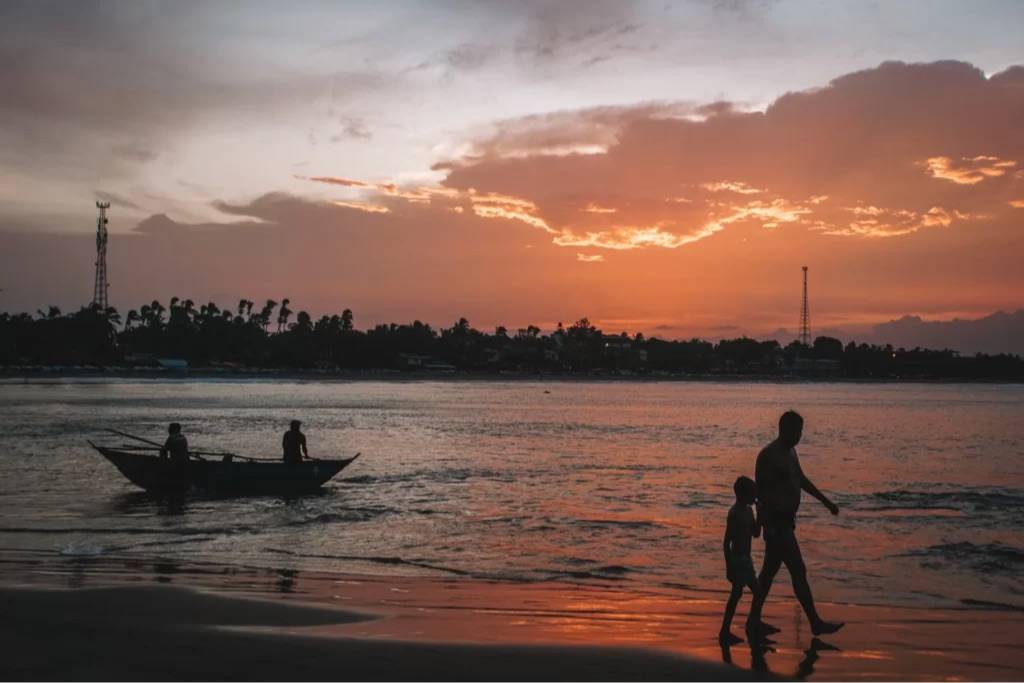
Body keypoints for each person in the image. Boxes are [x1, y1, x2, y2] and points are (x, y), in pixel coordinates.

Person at [750, 410, 843, 636]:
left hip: (787, 522)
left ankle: (753, 622)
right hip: (776, 523)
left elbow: (800, 479)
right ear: (786, 429)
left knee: (768, 574)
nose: (800, 435)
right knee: (797, 570)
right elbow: (760, 494)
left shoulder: (791, 453)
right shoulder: (768, 456)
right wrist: (764, 525)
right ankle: (814, 622)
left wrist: (826, 502)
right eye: (798, 430)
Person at [719, 475, 765, 644]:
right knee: (737, 595)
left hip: (747, 560)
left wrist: (760, 514)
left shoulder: (748, 511)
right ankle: (725, 631)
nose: (755, 497)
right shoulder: (735, 514)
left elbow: (756, 533)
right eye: (752, 494)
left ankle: (753, 623)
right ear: (742, 494)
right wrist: (729, 566)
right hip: (738, 560)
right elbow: (726, 542)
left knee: (757, 593)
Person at [159, 422, 189, 490]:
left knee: (162, 452)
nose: (168, 430)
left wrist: (163, 461)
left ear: (173, 430)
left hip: (176, 463)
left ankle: (163, 471)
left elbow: (164, 450)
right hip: (185, 461)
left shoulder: (172, 438)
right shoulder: (183, 437)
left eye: (169, 429)